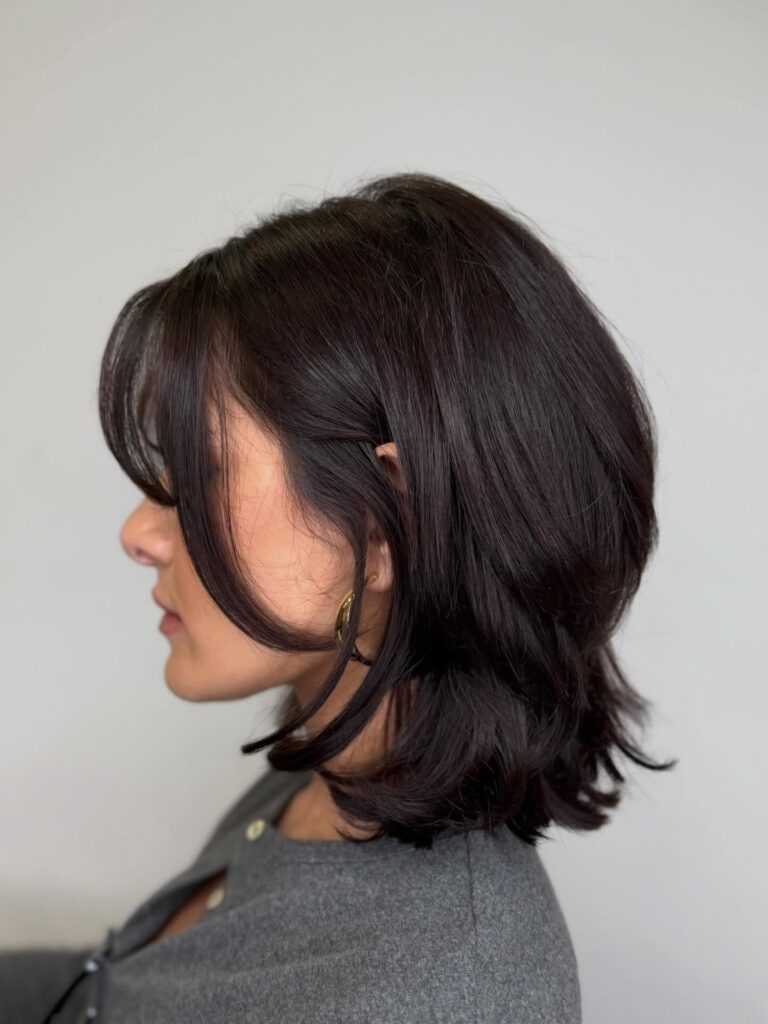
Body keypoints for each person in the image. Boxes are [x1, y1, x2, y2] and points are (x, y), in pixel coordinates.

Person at [1, 171, 676, 1023]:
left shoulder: (443, 995)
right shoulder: (332, 770)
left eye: (197, 474)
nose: (139, 531)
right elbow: (122, 992)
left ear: (384, 523)